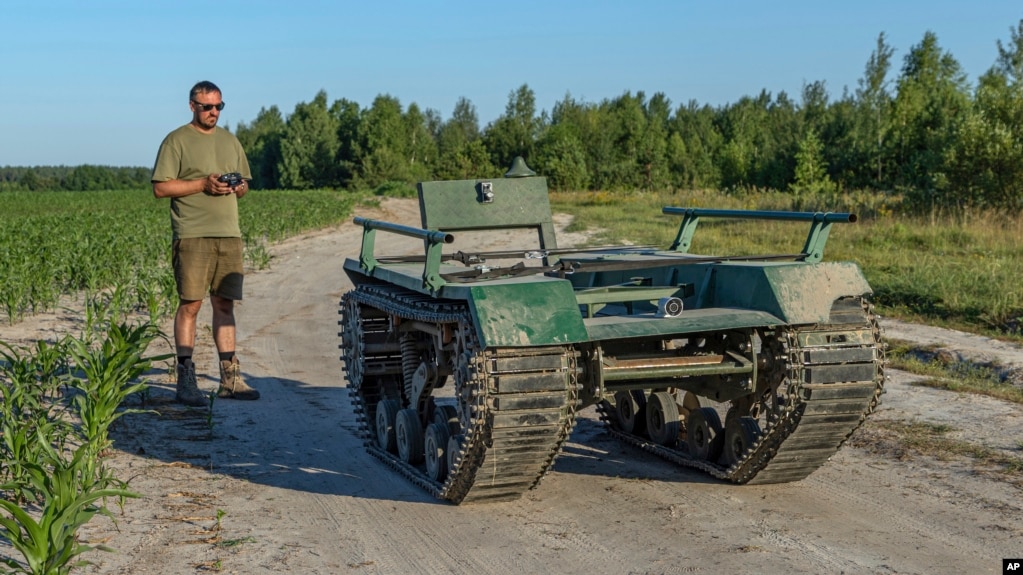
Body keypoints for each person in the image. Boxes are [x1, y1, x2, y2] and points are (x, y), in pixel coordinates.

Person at [151, 81, 260, 406]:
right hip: (192, 233)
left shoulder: (230, 141)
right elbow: (160, 188)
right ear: (192, 106)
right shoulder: (176, 140)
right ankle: (186, 380)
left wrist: (239, 187)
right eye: (207, 107)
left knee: (224, 304)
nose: (213, 112)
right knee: (191, 305)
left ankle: (230, 379)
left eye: (218, 107)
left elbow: (245, 185)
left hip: (229, 233)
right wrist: (203, 184)